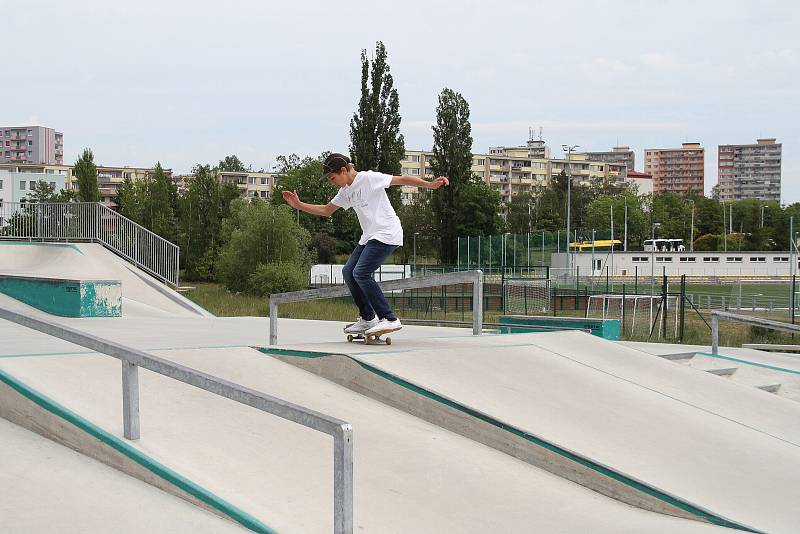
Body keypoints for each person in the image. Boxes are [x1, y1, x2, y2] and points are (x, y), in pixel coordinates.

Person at [282, 153, 449, 337]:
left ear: (344, 170)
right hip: (370, 236)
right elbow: (327, 210)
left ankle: (389, 318)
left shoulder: (369, 178)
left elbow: (401, 179)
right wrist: (299, 205)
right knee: (348, 271)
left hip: (386, 233)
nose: (333, 182)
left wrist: (430, 185)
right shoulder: (346, 191)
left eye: (333, 177)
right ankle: (368, 318)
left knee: (360, 273)